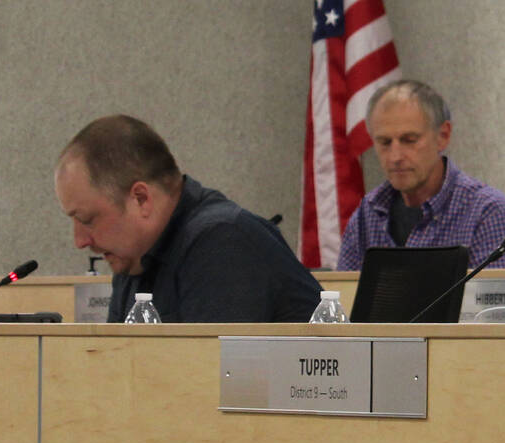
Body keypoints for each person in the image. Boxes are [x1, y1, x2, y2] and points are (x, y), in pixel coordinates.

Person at [55, 115, 320, 324]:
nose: (79, 241)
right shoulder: (132, 256)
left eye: (87, 219)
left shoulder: (223, 242)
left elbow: (208, 384)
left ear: (141, 199)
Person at [335, 80, 505, 272]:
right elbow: (342, 296)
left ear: (443, 136)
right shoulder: (368, 213)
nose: (395, 157)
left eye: (409, 140)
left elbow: (502, 300)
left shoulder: (487, 212)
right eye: (384, 142)